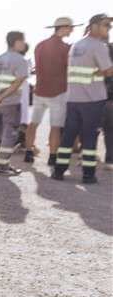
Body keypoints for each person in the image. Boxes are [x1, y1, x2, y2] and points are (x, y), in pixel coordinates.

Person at [53, 14, 113, 184]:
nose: (109, 28)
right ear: (94, 26)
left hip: (73, 98)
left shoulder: (76, 46)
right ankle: (88, 175)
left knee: (68, 136)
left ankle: (59, 171)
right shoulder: (99, 46)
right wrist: (101, 72)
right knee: (90, 138)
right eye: (106, 25)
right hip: (92, 100)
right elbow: (108, 71)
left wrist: (95, 72)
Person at [26, 17, 75, 165]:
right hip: (58, 92)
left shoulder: (40, 45)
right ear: (63, 28)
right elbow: (69, 69)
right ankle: (52, 156)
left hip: (40, 90)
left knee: (33, 123)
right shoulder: (66, 48)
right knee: (55, 127)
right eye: (70, 27)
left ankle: (28, 153)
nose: (72, 30)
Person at [0, 31, 30, 175]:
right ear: (16, 42)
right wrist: (1, 97)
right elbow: (17, 82)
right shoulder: (21, 60)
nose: (24, 44)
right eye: (23, 41)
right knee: (9, 134)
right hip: (11, 102)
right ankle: (3, 166)